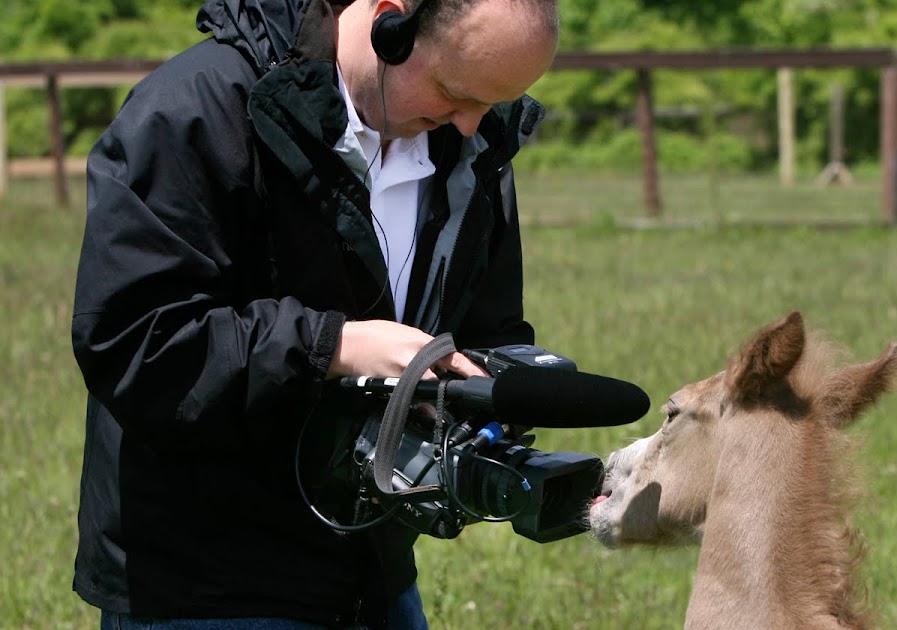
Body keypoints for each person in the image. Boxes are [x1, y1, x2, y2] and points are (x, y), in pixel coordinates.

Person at [70, 0, 559, 627]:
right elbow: (137, 342)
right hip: (208, 586)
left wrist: (493, 393)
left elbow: (488, 328)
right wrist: (336, 347)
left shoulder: (470, 146)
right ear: (390, 24)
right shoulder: (194, 110)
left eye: (492, 104)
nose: (469, 125)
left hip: (374, 577)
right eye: (453, 92)